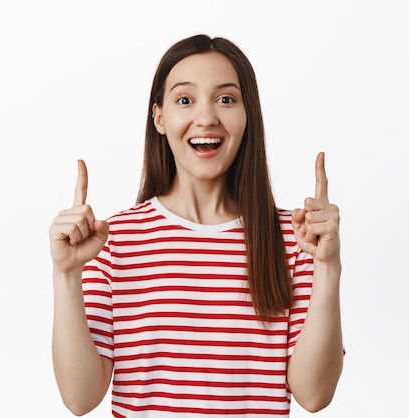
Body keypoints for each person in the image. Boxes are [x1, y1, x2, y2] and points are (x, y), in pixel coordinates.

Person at [49, 34, 343, 417]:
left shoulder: (297, 239)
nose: (206, 117)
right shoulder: (114, 240)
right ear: (159, 117)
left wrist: (327, 267)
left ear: (248, 114)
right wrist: (66, 274)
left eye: (226, 99)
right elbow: (79, 398)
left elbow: (314, 395)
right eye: (185, 100)